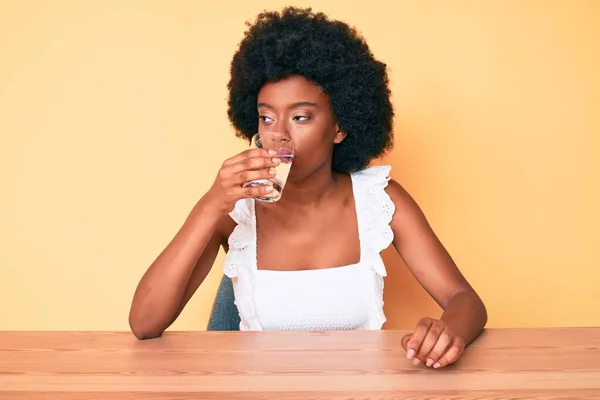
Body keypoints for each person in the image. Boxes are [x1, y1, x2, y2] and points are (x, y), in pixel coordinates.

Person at [129, 6, 487, 369]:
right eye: (267, 117)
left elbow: (465, 300)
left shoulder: (378, 200)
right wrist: (209, 205)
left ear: (340, 128)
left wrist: (447, 331)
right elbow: (144, 324)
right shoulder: (236, 209)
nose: (279, 133)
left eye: (300, 116)